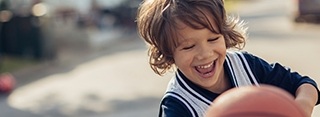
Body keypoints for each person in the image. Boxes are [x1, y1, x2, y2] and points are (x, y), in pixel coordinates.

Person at [136, 0, 320, 117]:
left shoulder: (246, 66)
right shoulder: (178, 105)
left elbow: (305, 85)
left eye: (213, 39)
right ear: (169, 53)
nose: (205, 53)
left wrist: (300, 108)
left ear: (225, 35)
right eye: (189, 46)